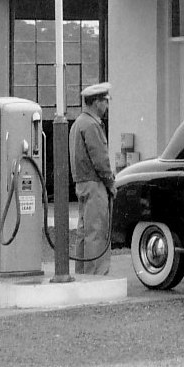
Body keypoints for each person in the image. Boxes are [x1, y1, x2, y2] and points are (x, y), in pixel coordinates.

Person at [65, 81, 115, 279]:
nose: (106, 106)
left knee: (84, 233)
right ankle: (96, 276)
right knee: (97, 232)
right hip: (95, 185)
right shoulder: (92, 125)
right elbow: (101, 160)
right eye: (105, 101)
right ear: (96, 102)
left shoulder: (78, 124)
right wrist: (111, 183)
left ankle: (83, 273)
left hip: (82, 183)